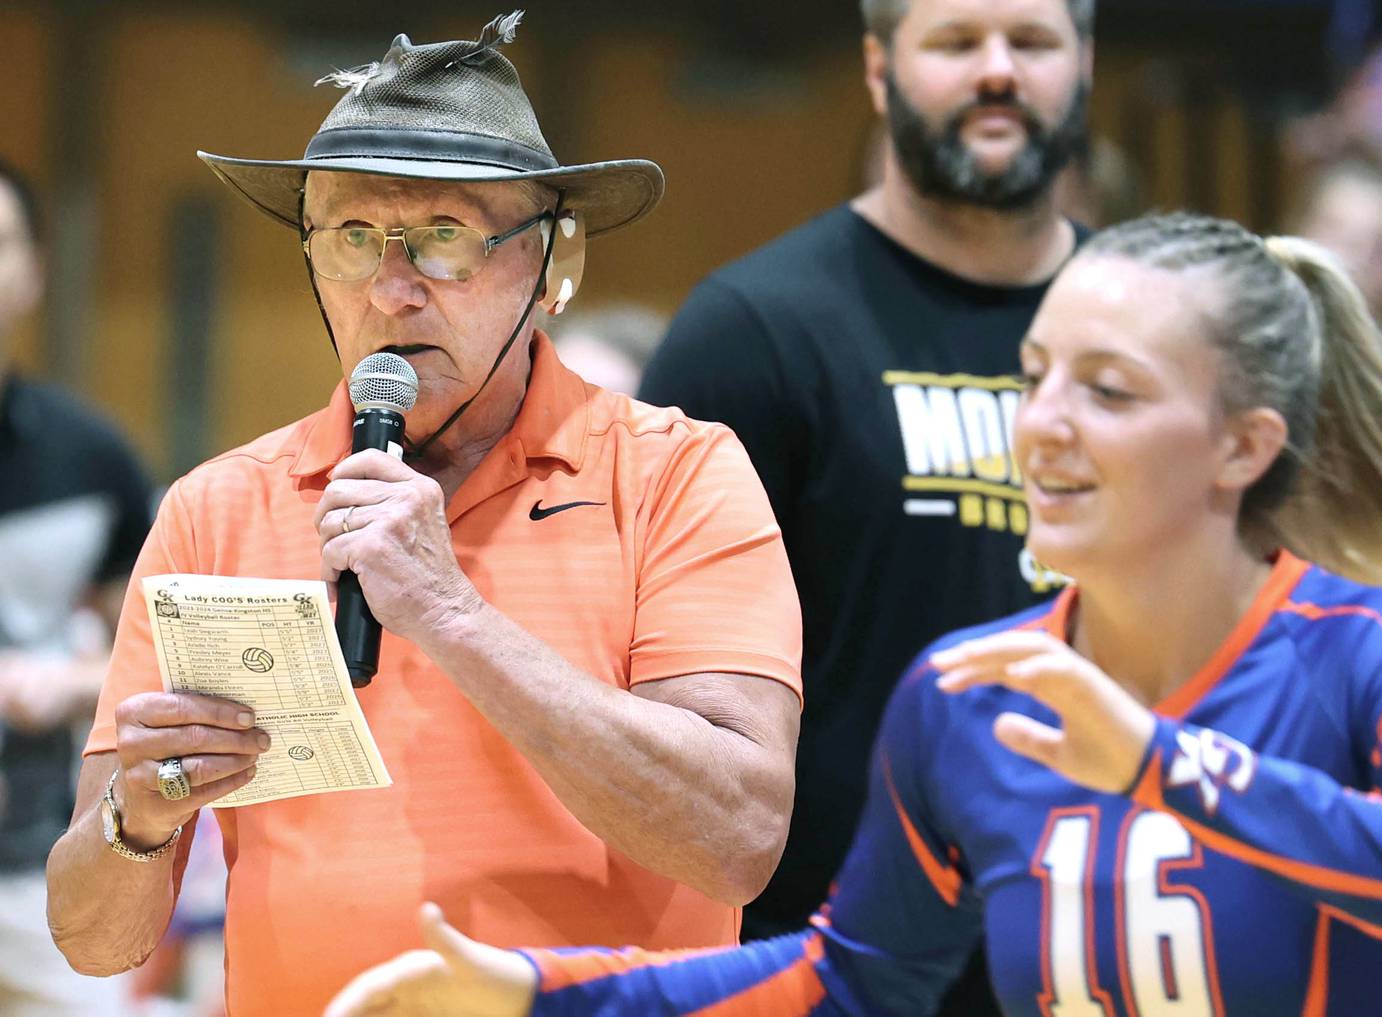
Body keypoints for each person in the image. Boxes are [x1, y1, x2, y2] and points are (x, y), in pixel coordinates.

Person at [326, 210, 1382, 1016]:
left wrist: (1160, 763)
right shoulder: (971, 694)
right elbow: (849, 977)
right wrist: (538, 993)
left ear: (1245, 445)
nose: (1042, 422)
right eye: (1037, 373)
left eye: (1107, 390)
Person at [45, 15, 803, 1017]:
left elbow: (737, 837)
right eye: (354, 237)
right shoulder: (215, 508)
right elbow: (97, 942)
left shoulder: (677, 475)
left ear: (550, 264)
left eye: (445, 238)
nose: (393, 290)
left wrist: (452, 616)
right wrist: (137, 817)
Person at [637, 0, 1092, 1006]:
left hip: (1100, 947)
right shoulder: (754, 331)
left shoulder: (1150, 329)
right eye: (957, 42)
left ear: (1085, 61)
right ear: (880, 72)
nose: (999, 71)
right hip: (822, 954)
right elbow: (647, 674)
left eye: (1033, 40)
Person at [0, 162, 153, 1015]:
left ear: (33, 271)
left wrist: (70, 682)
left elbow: (158, 654)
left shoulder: (90, 456)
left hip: (40, 871)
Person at [1292, 158, 1382, 408]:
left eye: (1378, 248)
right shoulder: (1257, 331)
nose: (1351, 260)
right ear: (1296, 232)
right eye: (1334, 232)